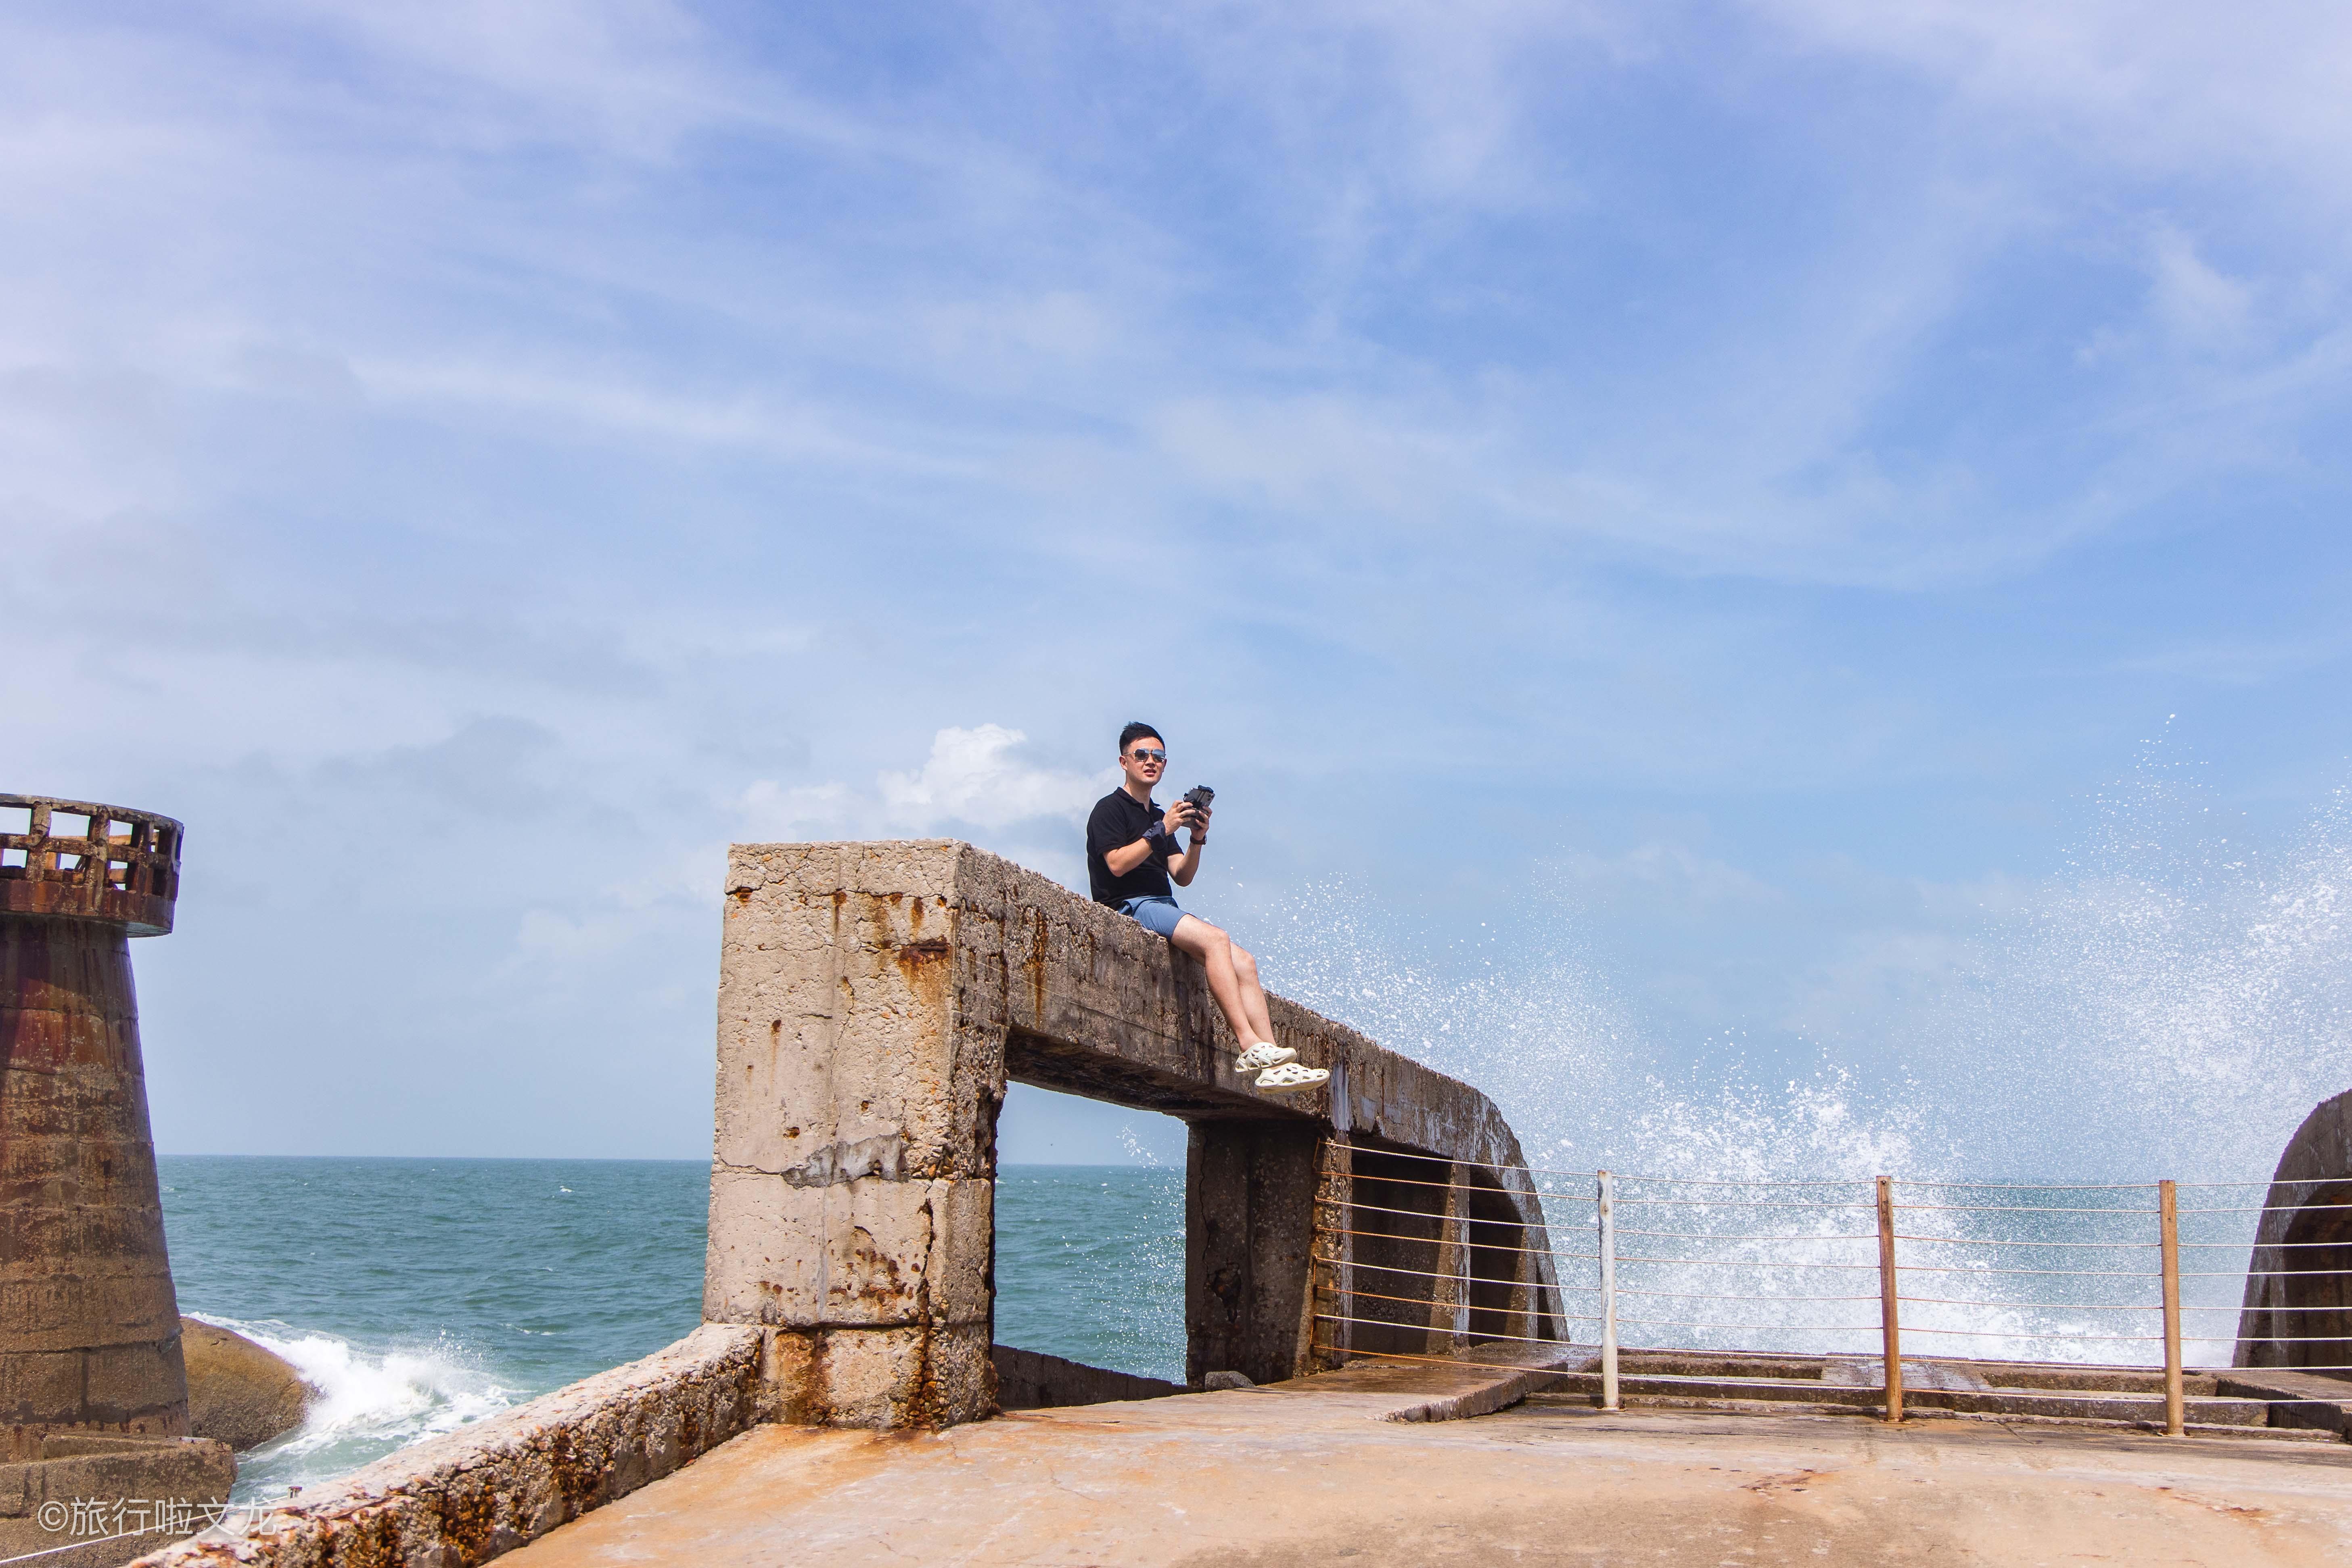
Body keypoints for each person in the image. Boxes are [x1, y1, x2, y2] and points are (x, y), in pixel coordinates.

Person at [1086, 721, 1329, 1096]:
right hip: (1129, 905)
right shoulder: (1110, 810)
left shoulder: (1157, 818)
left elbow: (1182, 876)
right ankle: (1248, 1047)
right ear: (1124, 761)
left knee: (1244, 961)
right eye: (1142, 755)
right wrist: (1162, 830)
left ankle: (1276, 1064)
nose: (1151, 761)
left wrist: (1197, 838)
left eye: (1159, 756)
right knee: (1217, 940)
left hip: (1164, 903)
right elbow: (1117, 864)